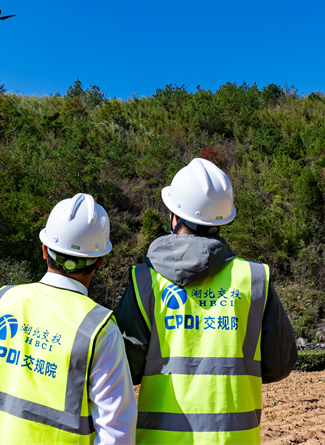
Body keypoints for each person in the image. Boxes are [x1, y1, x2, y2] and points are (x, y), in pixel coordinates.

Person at [113, 158, 298, 445]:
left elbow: (125, 367)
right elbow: (280, 364)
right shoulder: (253, 278)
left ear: (175, 217)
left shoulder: (145, 280)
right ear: (223, 220)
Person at [0, 193, 137, 445]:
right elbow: (116, 431)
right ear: (99, 263)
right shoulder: (99, 329)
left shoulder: (0, 301)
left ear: (44, 250)